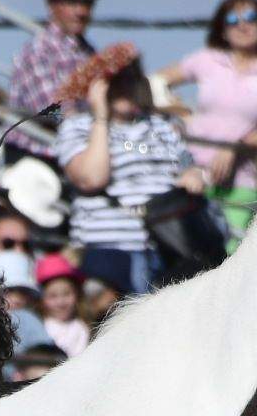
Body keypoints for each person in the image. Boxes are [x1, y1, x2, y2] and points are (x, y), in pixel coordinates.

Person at [55, 51, 192, 297]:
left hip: (163, 248)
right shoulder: (77, 127)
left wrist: (192, 176)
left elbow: (188, 168)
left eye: (132, 79)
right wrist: (101, 117)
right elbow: (91, 178)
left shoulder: (161, 127)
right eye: (116, 81)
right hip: (106, 252)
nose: (126, 87)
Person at [160, 0, 257, 198]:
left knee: (236, 230)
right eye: (232, 20)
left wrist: (235, 147)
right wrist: (177, 111)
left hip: (241, 182)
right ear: (222, 30)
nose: (243, 25)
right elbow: (153, 83)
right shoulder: (207, 60)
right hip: (191, 174)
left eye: (251, 17)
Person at [8, 0, 95, 114]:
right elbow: (54, 114)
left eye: (86, 3)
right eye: (72, 2)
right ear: (52, 4)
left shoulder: (88, 52)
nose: (81, 11)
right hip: (43, 138)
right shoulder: (37, 53)